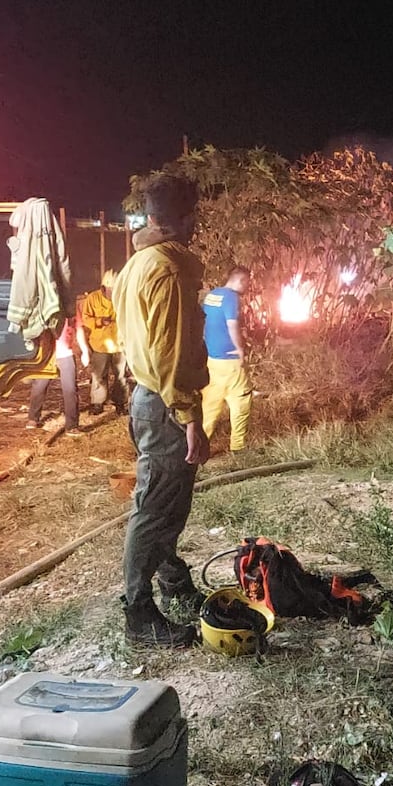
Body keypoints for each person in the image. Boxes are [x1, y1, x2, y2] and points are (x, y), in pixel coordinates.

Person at [113, 173, 210, 648]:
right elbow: (171, 352)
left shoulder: (135, 264)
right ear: (187, 217)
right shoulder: (169, 269)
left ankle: (173, 582)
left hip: (147, 397)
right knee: (152, 508)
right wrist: (189, 416)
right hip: (165, 403)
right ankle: (139, 614)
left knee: (168, 500)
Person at [201, 266, 253, 452]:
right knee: (241, 400)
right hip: (230, 360)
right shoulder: (232, 298)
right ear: (241, 280)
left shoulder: (211, 295)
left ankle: (199, 447)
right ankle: (238, 447)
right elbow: (232, 325)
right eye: (247, 282)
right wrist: (240, 350)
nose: (248, 286)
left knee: (210, 404)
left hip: (212, 359)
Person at [26, 314, 89, 435]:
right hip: (47, 353)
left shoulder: (71, 308)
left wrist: (85, 351)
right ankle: (33, 418)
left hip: (64, 353)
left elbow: (79, 328)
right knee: (39, 386)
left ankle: (71, 426)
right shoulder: (45, 304)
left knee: (70, 389)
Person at [81, 269, 128, 414]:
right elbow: (86, 318)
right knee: (99, 375)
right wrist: (99, 321)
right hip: (100, 344)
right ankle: (98, 403)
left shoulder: (123, 298)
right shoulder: (93, 298)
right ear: (103, 288)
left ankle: (120, 403)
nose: (113, 293)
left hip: (119, 344)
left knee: (121, 376)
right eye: (111, 290)